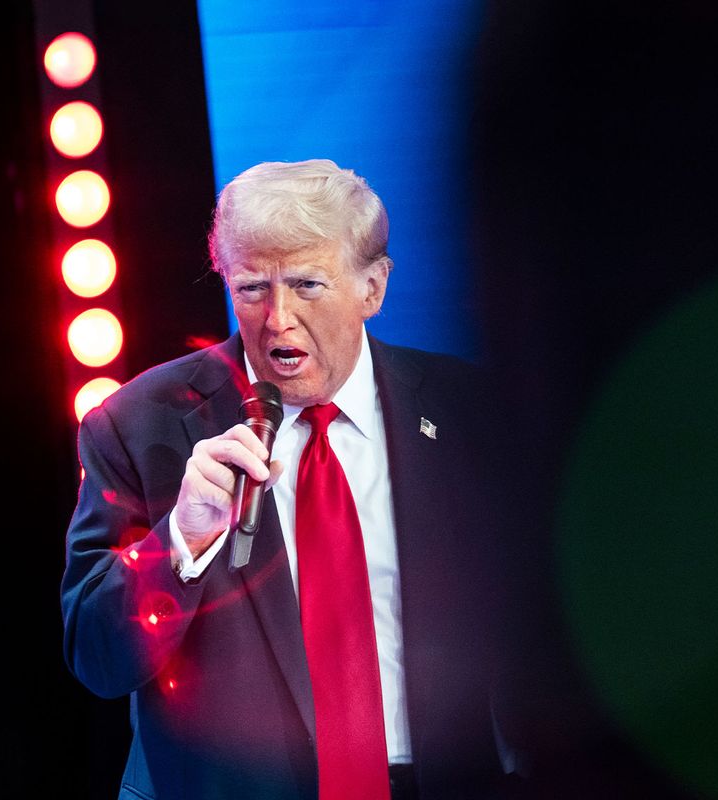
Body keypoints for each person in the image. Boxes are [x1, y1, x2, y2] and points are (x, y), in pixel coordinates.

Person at [61, 159, 515, 799]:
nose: (277, 318)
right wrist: (179, 545)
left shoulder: (471, 413)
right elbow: (98, 659)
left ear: (373, 288)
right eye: (251, 288)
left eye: (306, 285)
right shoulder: (141, 427)